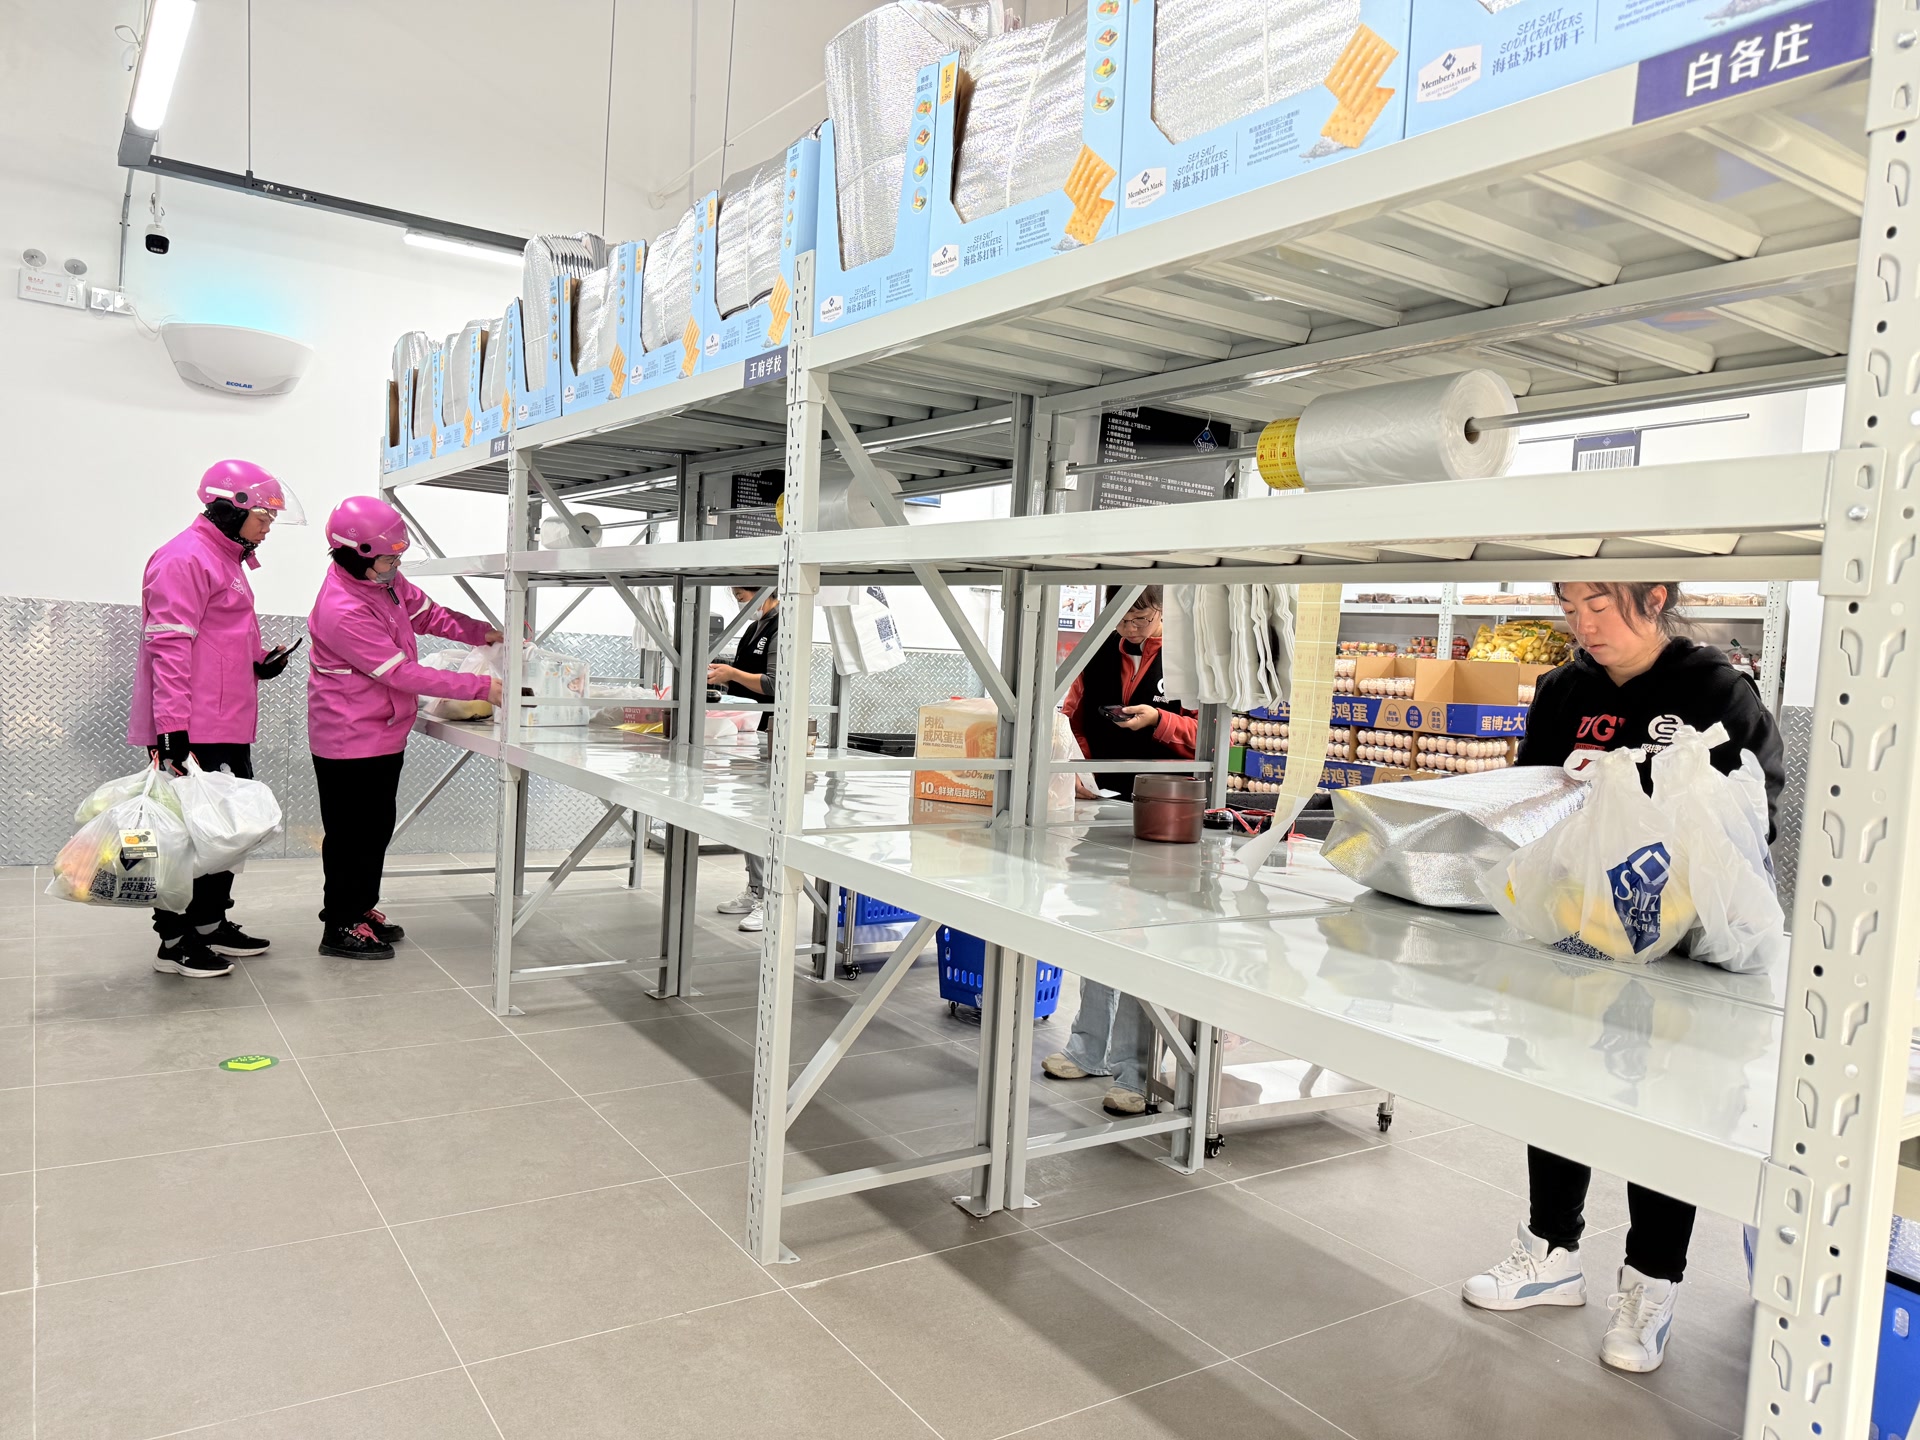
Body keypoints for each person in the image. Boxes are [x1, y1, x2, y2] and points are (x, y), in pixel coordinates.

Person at [1461, 579, 1784, 1374]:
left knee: (1667, 1102)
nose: (1583, 622)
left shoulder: (1714, 688)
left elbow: (1755, 811)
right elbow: (1535, 802)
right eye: (1570, 605)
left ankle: (1651, 1283)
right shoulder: (1563, 691)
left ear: (1655, 597)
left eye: (1600, 603)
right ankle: (1550, 1252)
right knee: (1556, 1076)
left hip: (1681, 943)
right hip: (1582, 931)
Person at [131, 460, 306, 979]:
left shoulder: (227, 558)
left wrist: (259, 661)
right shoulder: (184, 557)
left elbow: (223, 635)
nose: (269, 526)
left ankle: (209, 922)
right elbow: (168, 647)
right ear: (233, 508)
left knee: (226, 832)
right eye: (264, 516)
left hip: (225, 721)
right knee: (185, 838)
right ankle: (174, 941)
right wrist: (171, 730)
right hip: (193, 725)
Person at [307, 497, 502, 960]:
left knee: (375, 829)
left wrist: (481, 632)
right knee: (350, 835)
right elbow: (399, 672)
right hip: (349, 736)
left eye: (398, 557)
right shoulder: (342, 608)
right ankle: (339, 925)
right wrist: (480, 686)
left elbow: (427, 614)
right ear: (355, 553)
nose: (395, 567)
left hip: (383, 729)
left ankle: (360, 908)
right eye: (387, 559)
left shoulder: (382, 580)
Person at [1044, 587, 1197, 1116]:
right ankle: (1087, 1049)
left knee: (1140, 937)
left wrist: (1158, 721)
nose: (1130, 627)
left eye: (1140, 617)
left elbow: (1208, 734)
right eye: (1122, 618)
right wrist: (1079, 771)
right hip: (1103, 809)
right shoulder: (1094, 654)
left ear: (1162, 613)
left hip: (1165, 815)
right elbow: (1071, 721)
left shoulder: (1185, 659)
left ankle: (1136, 1073)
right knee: (1097, 925)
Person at [707, 586, 777, 933]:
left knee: (764, 819)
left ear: (766, 592)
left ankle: (771, 899)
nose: (739, 603)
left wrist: (732, 674)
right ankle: (755, 887)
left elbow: (775, 684)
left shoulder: (783, 625)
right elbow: (744, 676)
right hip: (747, 733)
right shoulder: (753, 628)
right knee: (748, 816)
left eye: (742, 596)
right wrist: (722, 673)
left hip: (772, 736)